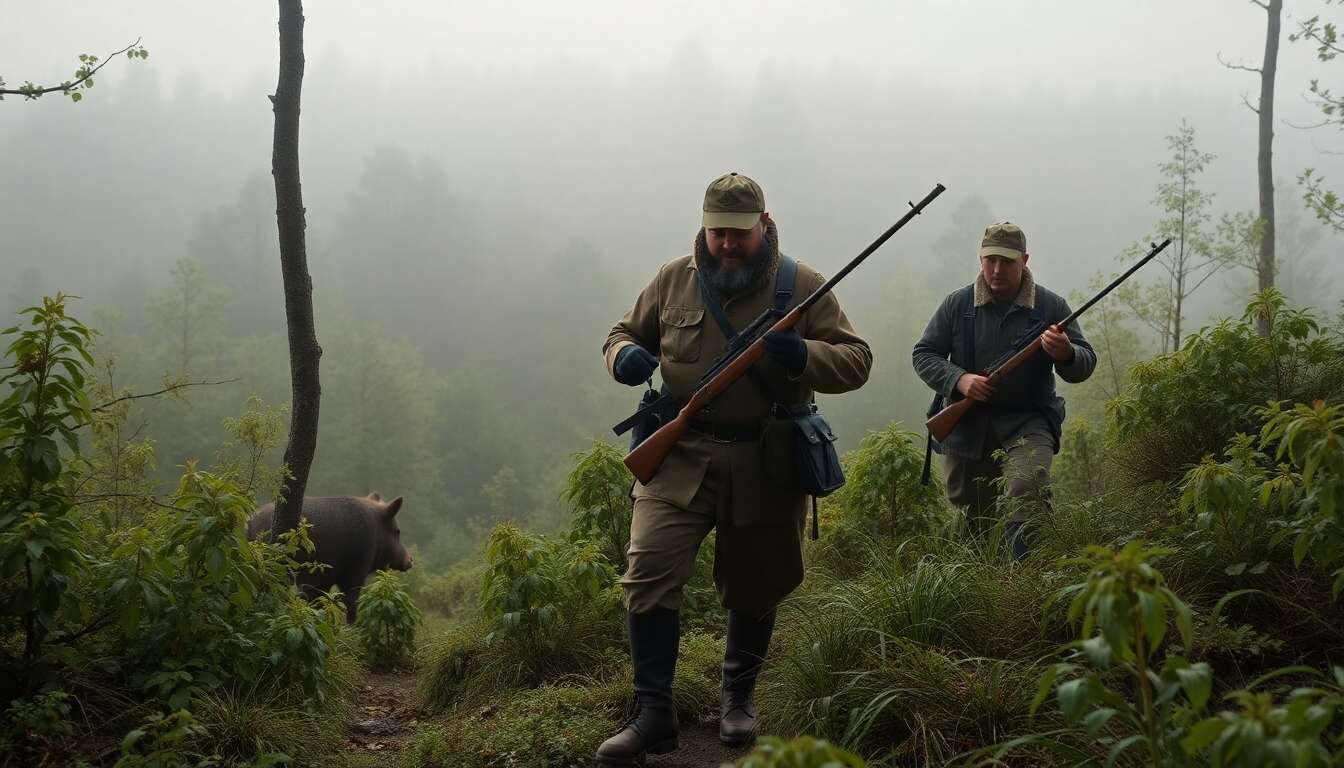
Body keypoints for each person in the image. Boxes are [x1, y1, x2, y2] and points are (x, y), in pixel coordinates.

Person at [597, 171, 872, 764]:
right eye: (716, 232)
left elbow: (857, 360)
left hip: (765, 459)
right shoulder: (673, 278)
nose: (725, 244)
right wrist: (626, 357)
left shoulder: (802, 286)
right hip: (679, 454)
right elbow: (619, 334)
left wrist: (803, 355)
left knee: (757, 582)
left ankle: (737, 698)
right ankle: (652, 713)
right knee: (648, 570)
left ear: (764, 226)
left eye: (738, 234)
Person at [912, 221, 1095, 559]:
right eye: (990, 259)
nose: (997, 269)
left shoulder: (1051, 306)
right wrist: (960, 380)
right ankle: (983, 583)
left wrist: (1066, 353)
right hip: (969, 426)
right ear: (980, 259)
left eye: (1007, 261)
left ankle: (1025, 576)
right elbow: (924, 354)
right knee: (973, 516)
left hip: (1029, 420)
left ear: (1024, 260)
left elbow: (1085, 362)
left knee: (1027, 488)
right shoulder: (957, 304)